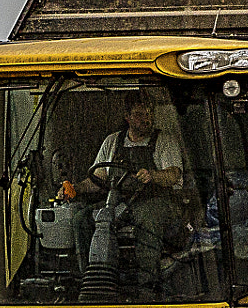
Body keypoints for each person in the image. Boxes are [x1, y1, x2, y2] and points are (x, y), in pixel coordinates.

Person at [71, 91, 186, 290]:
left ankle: (147, 283)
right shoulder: (113, 141)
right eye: (140, 114)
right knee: (81, 219)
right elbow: (98, 177)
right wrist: (75, 188)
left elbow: (174, 175)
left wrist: (153, 175)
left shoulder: (164, 140)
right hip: (119, 201)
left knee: (147, 218)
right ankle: (91, 280)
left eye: (149, 113)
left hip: (157, 201)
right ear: (127, 117)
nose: (147, 119)